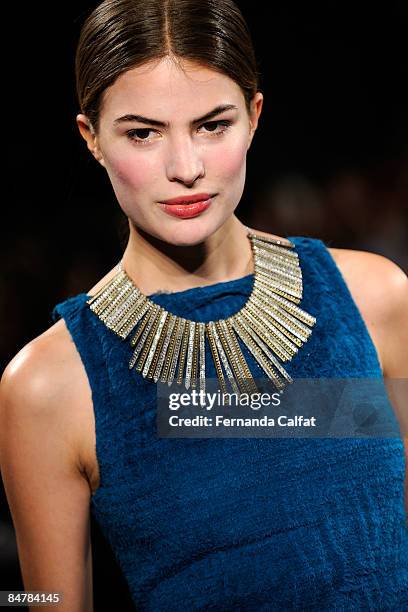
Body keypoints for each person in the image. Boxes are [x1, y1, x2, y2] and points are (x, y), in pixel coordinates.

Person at [0, 0, 407, 610]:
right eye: (142, 133)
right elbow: (39, 603)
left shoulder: (376, 298)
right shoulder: (48, 387)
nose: (185, 168)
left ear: (255, 116)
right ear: (91, 139)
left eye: (213, 125)